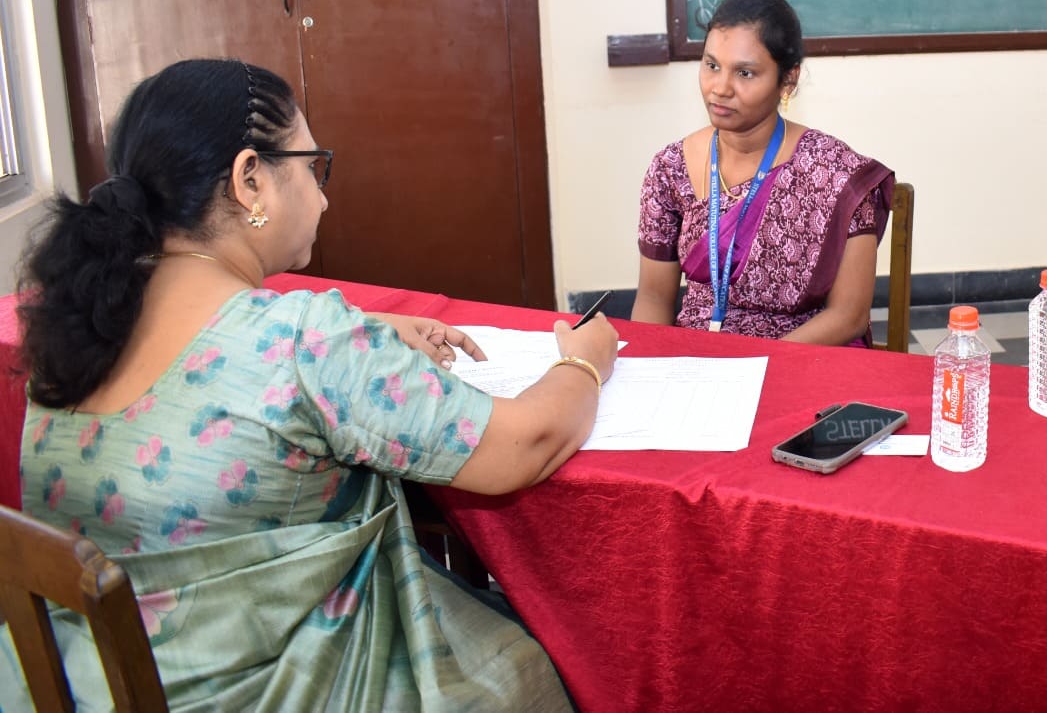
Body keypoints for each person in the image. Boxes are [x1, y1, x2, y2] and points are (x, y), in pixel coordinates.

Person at [0, 59, 616, 711]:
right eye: (312, 167)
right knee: (543, 662)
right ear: (250, 179)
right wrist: (583, 363)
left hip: (88, 684)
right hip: (273, 689)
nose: (321, 198)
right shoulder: (304, 342)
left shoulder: (80, 325)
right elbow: (524, 444)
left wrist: (361, 336)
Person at [632, 0, 894, 346]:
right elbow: (653, 299)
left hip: (803, 356)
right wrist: (651, 364)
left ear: (788, 80)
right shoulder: (670, 169)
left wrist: (759, 365)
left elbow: (848, 317)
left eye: (745, 72)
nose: (720, 88)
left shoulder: (836, 173)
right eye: (711, 65)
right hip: (696, 359)